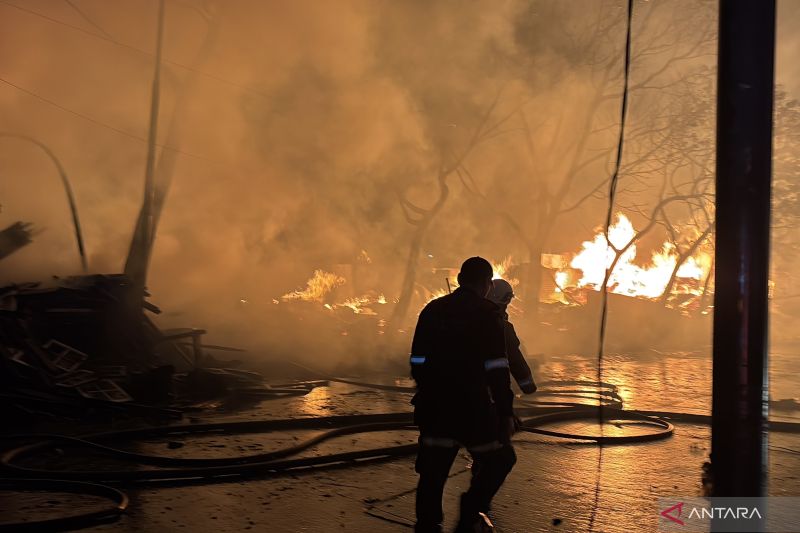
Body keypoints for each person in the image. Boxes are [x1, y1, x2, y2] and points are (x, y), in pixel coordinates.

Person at [410, 257, 518, 533]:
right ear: (486, 284)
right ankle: (470, 510)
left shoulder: (432, 310)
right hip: (473, 409)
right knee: (501, 459)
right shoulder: (488, 314)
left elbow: (417, 359)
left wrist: (427, 387)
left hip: (434, 407)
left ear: (459, 280)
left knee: (432, 474)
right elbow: (497, 368)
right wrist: (505, 412)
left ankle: (427, 525)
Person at [486, 278, 537, 395]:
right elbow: (515, 360)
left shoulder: (461, 318)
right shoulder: (503, 327)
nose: (507, 306)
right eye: (507, 301)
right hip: (486, 391)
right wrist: (528, 387)